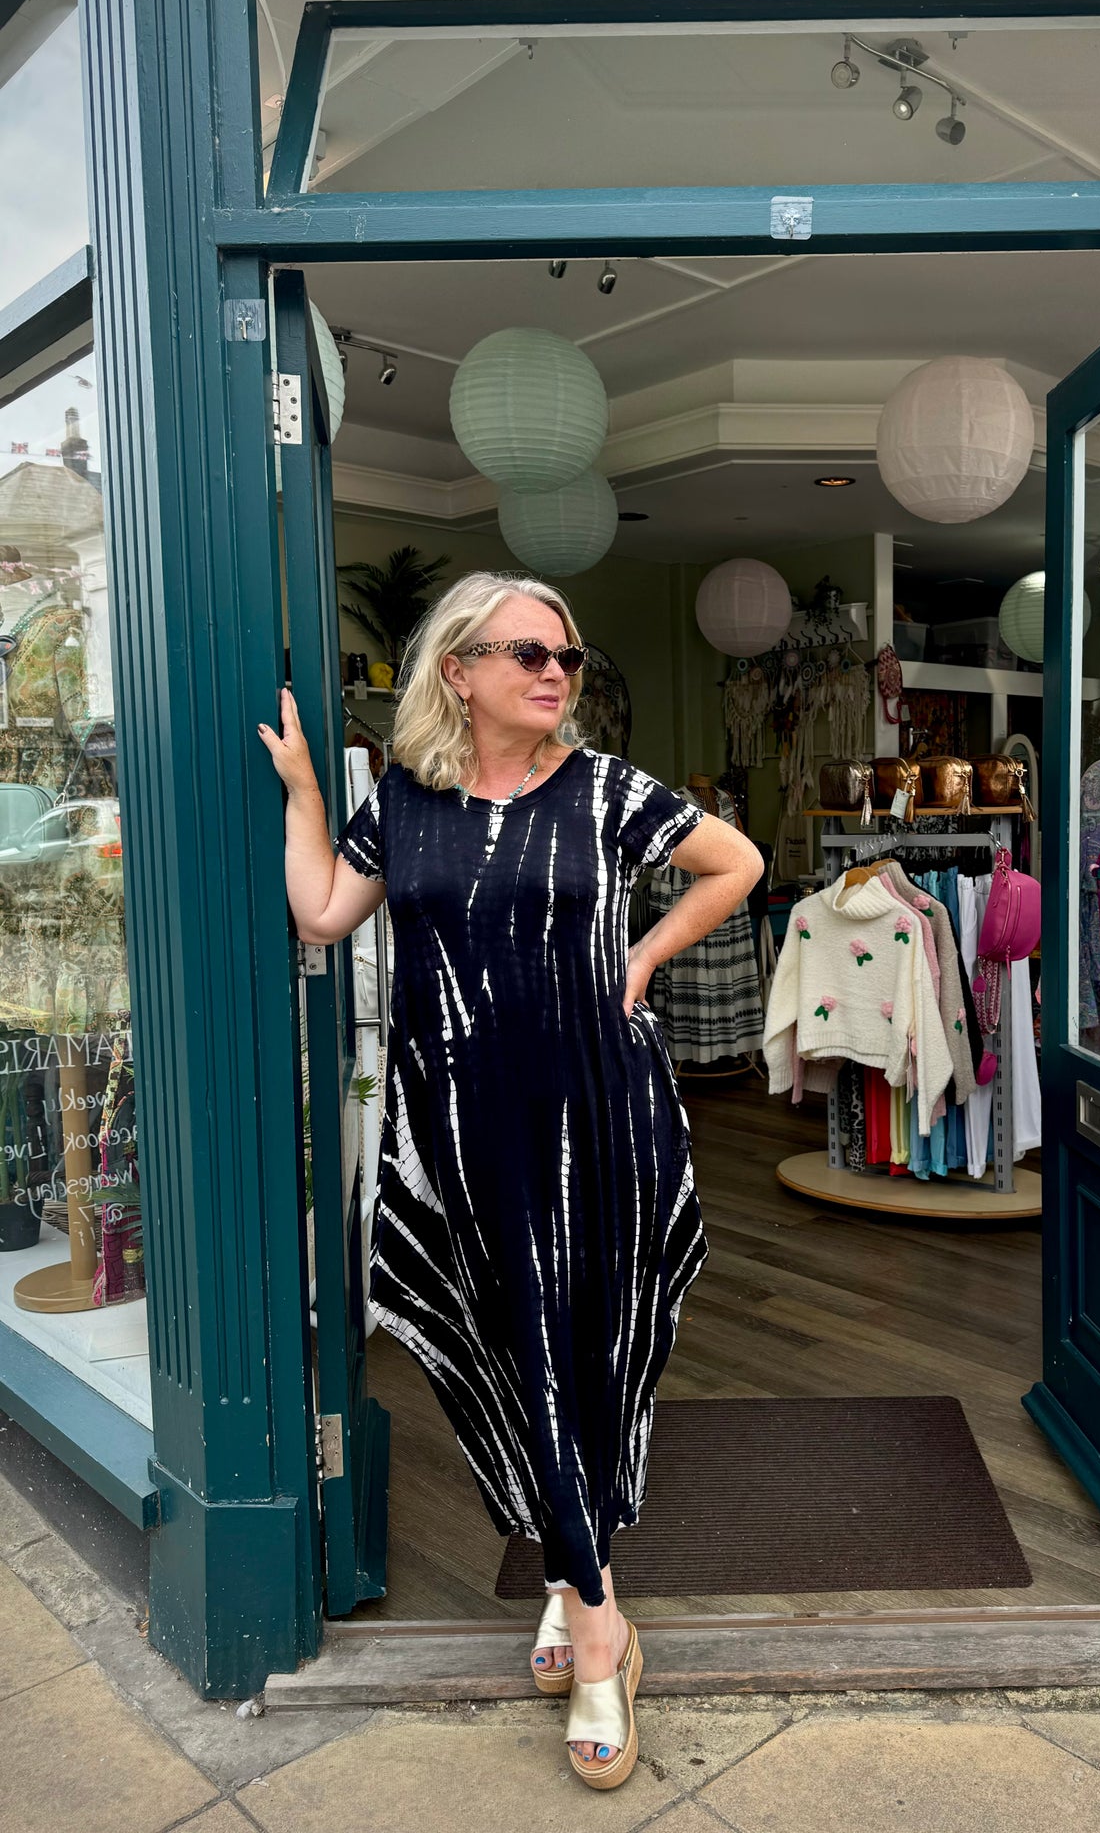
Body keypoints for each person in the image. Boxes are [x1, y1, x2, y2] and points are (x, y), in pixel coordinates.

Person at [259, 571, 761, 1790]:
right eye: (527, 651)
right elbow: (325, 911)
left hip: (596, 1118)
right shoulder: (406, 804)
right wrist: (310, 799)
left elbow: (735, 863)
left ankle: (596, 1626)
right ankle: (567, 1572)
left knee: (575, 1354)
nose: (554, 671)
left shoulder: (604, 791)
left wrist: (639, 952)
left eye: (568, 657)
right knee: (503, 1349)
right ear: (459, 671)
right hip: (457, 1129)